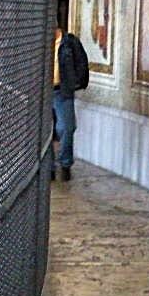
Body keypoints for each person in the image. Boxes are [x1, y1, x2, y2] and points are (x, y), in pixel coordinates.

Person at [52, 24, 81, 181]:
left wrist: (75, 83)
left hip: (62, 91)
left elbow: (81, 63)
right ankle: (48, 167)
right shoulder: (39, 43)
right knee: (44, 131)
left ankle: (65, 164)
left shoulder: (69, 42)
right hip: (43, 92)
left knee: (66, 128)